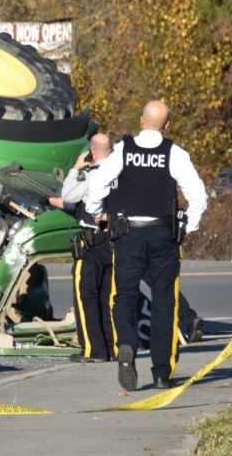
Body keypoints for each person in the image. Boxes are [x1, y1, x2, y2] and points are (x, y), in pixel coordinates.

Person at [82, 100, 208, 391]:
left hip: (128, 235)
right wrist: (187, 226)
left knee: (124, 297)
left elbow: (98, 185)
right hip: (164, 235)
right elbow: (198, 197)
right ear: (167, 126)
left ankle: (127, 344)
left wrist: (97, 213)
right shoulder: (174, 153)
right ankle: (162, 374)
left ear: (141, 121)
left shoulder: (124, 150)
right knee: (165, 303)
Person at [60, 133, 114, 363]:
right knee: (109, 297)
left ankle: (94, 350)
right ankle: (113, 348)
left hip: (92, 242)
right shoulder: (122, 172)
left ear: (92, 152)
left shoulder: (93, 174)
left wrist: (76, 168)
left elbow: (69, 195)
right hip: (116, 240)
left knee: (86, 296)